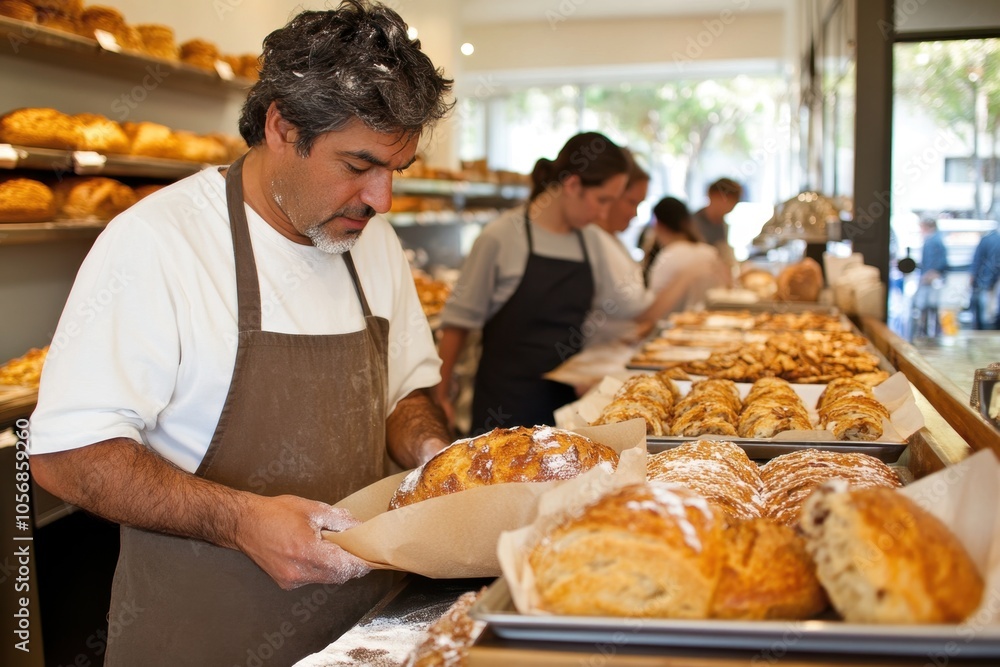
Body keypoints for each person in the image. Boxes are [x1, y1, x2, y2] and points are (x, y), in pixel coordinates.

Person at [28, 3, 453, 665]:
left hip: (363, 632)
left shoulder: (376, 244)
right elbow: (66, 454)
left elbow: (405, 391)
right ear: (284, 126)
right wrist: (239, 519)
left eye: (396, 169)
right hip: (204, 639)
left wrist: (434, 455)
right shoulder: (160, 243)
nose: (383, 199)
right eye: (359, 164)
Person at [434, 132, 647, 435]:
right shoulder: (501, 237)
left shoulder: (592, 242)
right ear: (572, 184)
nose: (603, 214)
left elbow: (605, 317)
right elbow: (457, 324)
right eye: (602, 200)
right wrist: (440, 396)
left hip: (568, 411)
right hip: (504, 410)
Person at [582, 149, 654, 346]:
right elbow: (632, 309)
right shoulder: (591, 237)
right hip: (596, 355)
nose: (635, 213)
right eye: (632, 203)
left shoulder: (614, 240)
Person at [639, 196, 732, 325]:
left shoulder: (668, 257)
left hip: (671, 333)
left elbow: (650, 311)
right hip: (709, 325)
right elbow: (729, 287)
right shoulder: (708, 252)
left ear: (658, 224)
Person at [691, 177, 743, 266]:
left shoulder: (723, 225)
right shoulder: (692, 223)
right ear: (711, 195)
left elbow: (725, 256)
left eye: (734, 202)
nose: (729, 206)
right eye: (726, 200)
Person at [914, 217, 949, 337]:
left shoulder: (935, 240)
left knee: (930, 306)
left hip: (931, 279)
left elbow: (942, 261)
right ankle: (926, 333)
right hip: (927, 277)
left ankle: (930, 334)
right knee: (926, 307)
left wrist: (932, 273)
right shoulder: (932, 239)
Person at [969, 226, 1000, 330]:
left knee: (987, 311)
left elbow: (977, 260)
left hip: (988, 280)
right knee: (989, 309)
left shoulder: (988, 239)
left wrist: (974, 276)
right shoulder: (989, 239)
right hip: (991, 280)